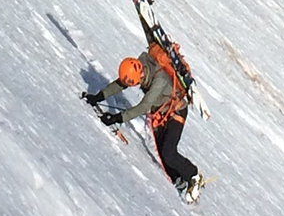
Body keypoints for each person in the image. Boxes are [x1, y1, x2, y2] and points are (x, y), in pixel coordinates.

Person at [84, 51, 202, 200]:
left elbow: (144, 106)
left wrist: (117, 118)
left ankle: (193, 175)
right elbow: (121, 83)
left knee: (168, 152)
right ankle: (178, 178)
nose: (137, 84)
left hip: (177, 112)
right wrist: (98, 97)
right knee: (162, 150)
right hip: (163, 112)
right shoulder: (140, 67)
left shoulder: (159, 80)